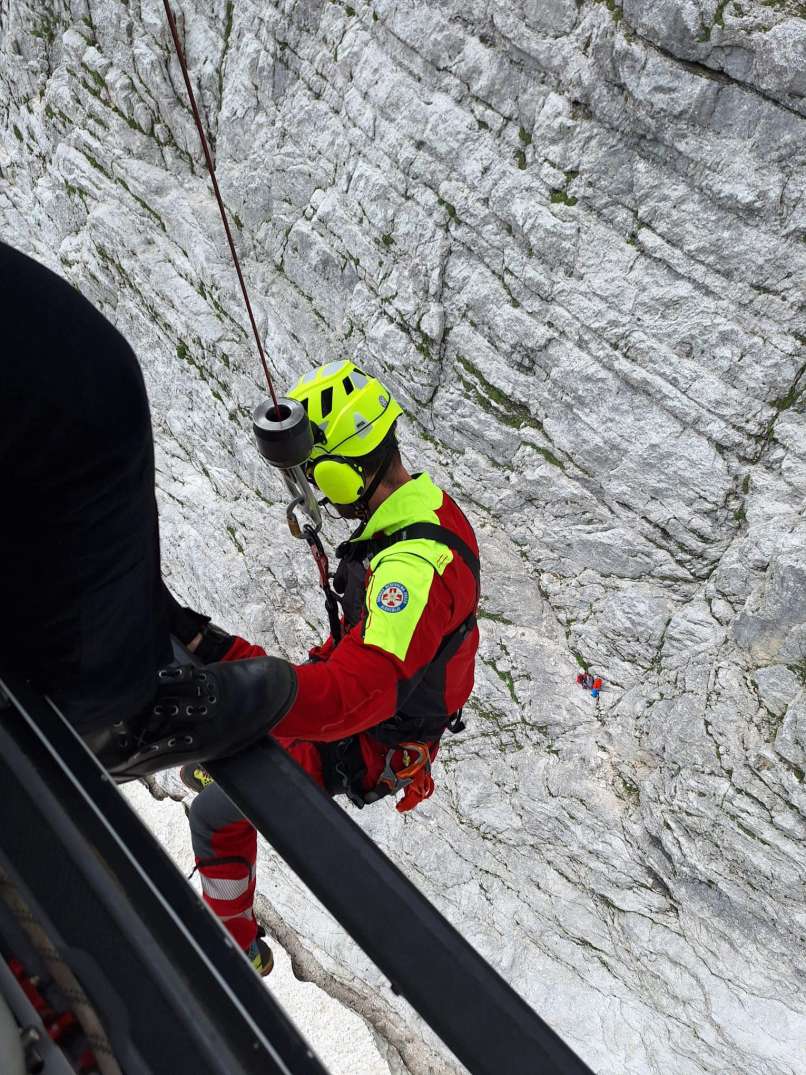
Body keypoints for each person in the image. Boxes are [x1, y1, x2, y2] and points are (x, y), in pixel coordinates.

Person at [179, 362, 481, 976]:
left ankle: (236, 948)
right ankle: (222, 740)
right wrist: (207, 644)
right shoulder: (413, 513)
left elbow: (350, 698)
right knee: (225, 710)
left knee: (214, 818)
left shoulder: (413, 570)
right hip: (365, 704)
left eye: (315, 475)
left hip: (367, 744)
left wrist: (233, 687)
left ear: (344, 471)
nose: (312, 489)